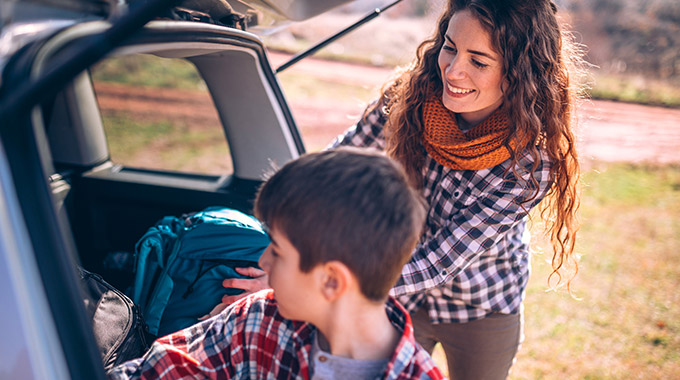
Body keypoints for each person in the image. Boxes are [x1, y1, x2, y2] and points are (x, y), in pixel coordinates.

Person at [217, 1, 584, 379]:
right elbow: (339, 164)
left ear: (518, 73)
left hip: (483, 304)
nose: (454, 70)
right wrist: (287, 245)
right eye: (450, 47)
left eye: (478, 61)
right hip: (397, 292)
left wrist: (314, 278)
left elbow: (440, 259)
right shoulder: (408, 98)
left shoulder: (532, 163)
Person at [108, 148, 444, 380]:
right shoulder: (259, 317)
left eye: (278, 252)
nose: (262, 260)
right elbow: (158, 370)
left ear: (331, 282)